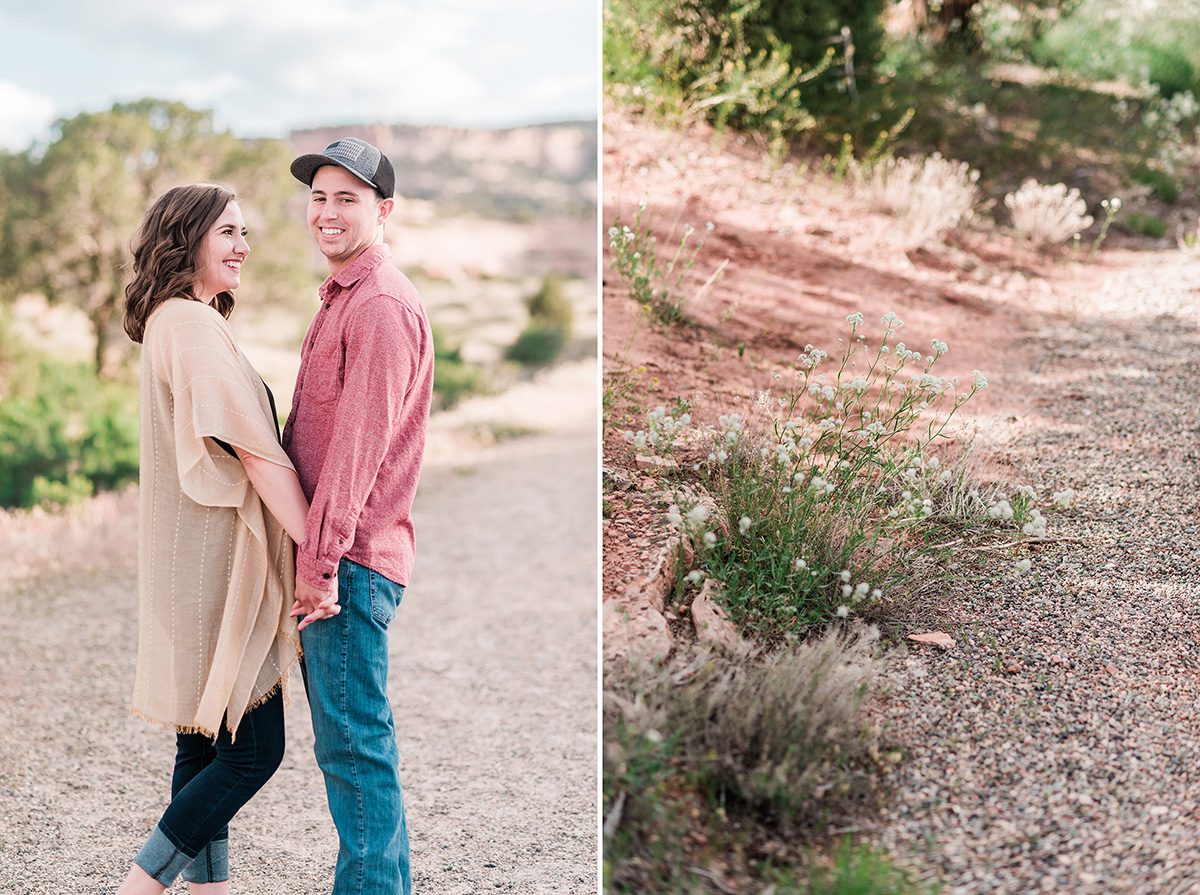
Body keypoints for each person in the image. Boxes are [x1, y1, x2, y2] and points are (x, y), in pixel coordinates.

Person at [117, 183, 319, 894]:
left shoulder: (177, 320)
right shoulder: (192, 325)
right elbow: (257, 453)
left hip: (187, 559)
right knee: (253, 750)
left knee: (202, 742)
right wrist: (320, 550)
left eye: (245, 232)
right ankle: (141, 885)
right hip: (213, 561)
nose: (242, 245)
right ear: (188, 238)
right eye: (227, 231)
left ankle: (209, 889)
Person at [284, 137, 434, 895]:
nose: (329, 211)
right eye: (320, 196)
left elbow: (356, 455)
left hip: (346, 566)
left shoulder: (377, 305)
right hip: (338, 560)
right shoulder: (344, 295)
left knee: (355, 752)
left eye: (348, 197)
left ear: (384, 209)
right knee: (352, 748)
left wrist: (317, 569)